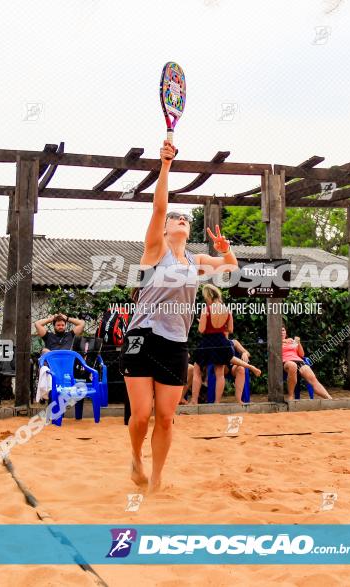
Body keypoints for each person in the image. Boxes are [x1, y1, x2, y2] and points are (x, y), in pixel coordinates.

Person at [120, 140, 237, 493]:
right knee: (141, 415)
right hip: (142, 337)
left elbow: (231, 271)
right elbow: (158, 209)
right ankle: (136, 457)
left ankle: (156, 479)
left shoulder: (196, 262)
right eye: (176, 217)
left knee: (167, 418)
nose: (180, 219)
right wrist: (166, 165)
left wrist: (226, 250)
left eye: (185, 217)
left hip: (175, 343)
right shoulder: (155, 251)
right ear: (168, 229)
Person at [189, 284, 235, 404]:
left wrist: (202, 322)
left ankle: (194, 401)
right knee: (220, 373)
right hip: (221, 342)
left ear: (209, 295)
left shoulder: (206, 310)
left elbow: (201, 330)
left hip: (207, 342)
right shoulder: (227, 310)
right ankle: (217, 402)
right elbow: (230, 330)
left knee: (197, 370)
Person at [282, 325, 333, 400]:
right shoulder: (275, 342)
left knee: (313, 379)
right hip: (286, 361)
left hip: (299, 361)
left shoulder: (291, 341)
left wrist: (298, 343)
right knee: (293, 365)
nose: (281, 332)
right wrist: (283, 341)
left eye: (283, 330)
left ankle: (329, 398)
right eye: (279, 330)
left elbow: (302, 354)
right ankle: (291, 396)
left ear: (286, 332)